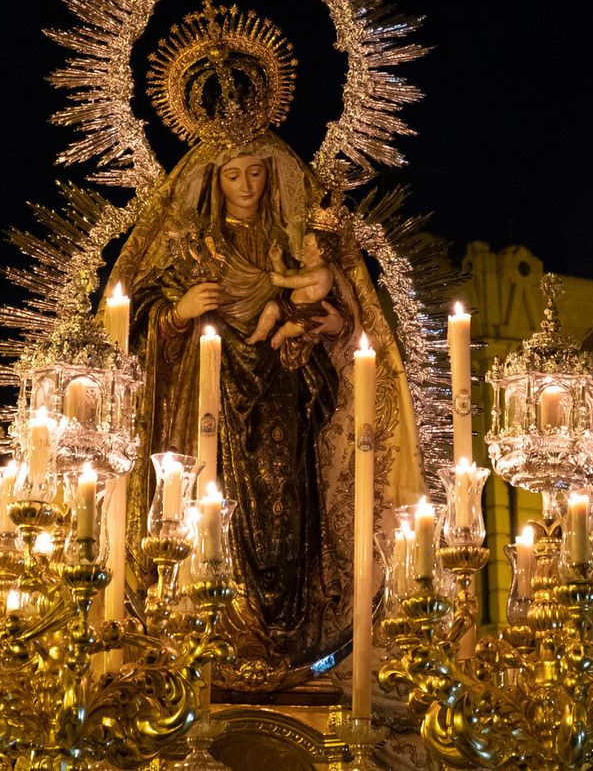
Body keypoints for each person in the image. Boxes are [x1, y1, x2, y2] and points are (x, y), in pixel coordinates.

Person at [106, 131, 422, 689]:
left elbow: (343, 319)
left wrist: (335, 326)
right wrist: (177, 314)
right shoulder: (191, 243)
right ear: (214, 181)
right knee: (215, 505)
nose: (246, 185)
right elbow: (132, 323)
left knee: (284, 509)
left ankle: (284, 633)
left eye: (255, 172)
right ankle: (216, 629)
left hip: (285, 400)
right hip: (209, 405)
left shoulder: (291, 241)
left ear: (270, 174)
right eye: (233, 175)